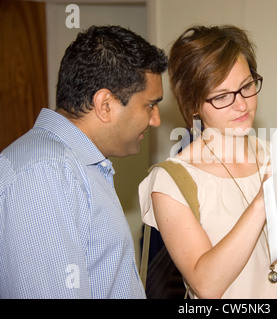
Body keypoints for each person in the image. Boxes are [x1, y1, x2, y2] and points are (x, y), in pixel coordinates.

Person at [138, 25, 277, 299]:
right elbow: (206, 285)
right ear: (193, 105)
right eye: (221, 96)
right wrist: (260, 203)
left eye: (246, 86)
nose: (241, 105)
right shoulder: (171, 182)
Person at [0, 25, 168, 298]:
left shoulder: (72, 167)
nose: (156, 119)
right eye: (150, 105)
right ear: (105, 105)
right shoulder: (45, 172)